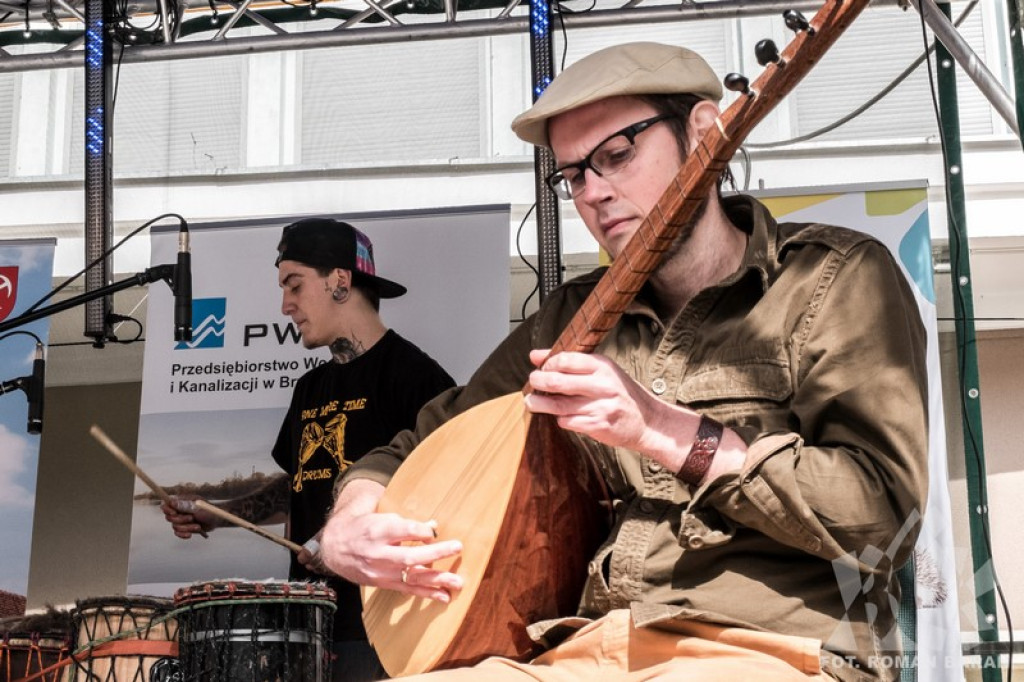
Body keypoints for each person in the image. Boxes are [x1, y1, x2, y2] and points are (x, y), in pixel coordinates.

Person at [317, 42, 929, 682]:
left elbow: (881, 517)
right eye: (575, 175)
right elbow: (418, 443)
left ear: (701, 134)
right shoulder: (572, 319)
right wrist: (350, 522)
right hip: (579, 650)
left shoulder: (833, 279)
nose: (594, 194)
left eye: (617, 155)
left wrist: (663, 431)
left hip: (767, 652)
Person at [161, 218, 456, 682]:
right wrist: (213, 514)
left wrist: (337, 540)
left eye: (294, 285)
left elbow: (443, 495)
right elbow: (295, 487)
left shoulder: (417, 378)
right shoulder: (309, 388)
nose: (285, 305)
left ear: (340, 281)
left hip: (384, 626)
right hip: (307, 625)